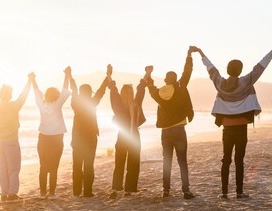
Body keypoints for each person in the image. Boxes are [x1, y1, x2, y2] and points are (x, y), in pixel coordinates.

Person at [195, 40, 272, 199]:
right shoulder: (246, 82)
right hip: (241, 127)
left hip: (227, 128)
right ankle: (239, 192)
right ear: (240, 70)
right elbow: (260, 67)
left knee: (225, 159)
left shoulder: (220, 83)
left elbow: (211, 69)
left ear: (227, 70)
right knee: (239, 160)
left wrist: (201, 53)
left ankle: (224, 192)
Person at [145, 46, 197, 200]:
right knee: (182, 162)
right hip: (179, 131)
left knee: (166, 161)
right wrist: (188, 55)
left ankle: (166, 191)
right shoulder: (180, 88)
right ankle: (186, 191)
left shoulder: (159, 92)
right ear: (175, 80)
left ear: (166, 80)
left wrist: (148, 74)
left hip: (166, 132)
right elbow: (187, 72)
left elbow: (150, 86)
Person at [0, 75, 31, 202]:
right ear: (10, 95)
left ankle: (4, 194)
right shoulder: (14, 106)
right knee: (14, 169)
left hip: (0, 142)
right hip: (12, 141)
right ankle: (12, 194)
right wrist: (29, 81)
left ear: (0, 95)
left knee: (3, 169)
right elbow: (24, 95)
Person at [68, 66, 110, 198]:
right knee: (88, 164)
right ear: (89, 93)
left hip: (77, 139)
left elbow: (73, 90)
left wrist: (70, 76)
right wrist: (108, 76)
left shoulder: (76, 102)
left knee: (77, 164)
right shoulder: (92, 102)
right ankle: (87, 192)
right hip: (90, 138)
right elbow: (101, 91)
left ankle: (76, 192)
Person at [30, 70, 71, 200]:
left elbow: (36, 91)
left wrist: (32, 79)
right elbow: (65, 90)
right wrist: (67, 75)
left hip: (43, 138)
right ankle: (52, 193)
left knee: (43, 166)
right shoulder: (57, 104)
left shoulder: (41, 105)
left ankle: (42, 193)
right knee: (54, 167)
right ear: (56, 96)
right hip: (56, 139)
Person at [108, 65, 147, 199]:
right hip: (134, 135)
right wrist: (146, 74)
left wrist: (109, 76)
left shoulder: (118, 105)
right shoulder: (135, 104)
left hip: (122, 135)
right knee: (133, 163)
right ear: (131, 93)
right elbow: (141, 91)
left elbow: (113, 91)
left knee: (119, 162)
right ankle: (129, 189)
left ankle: (115, 189)